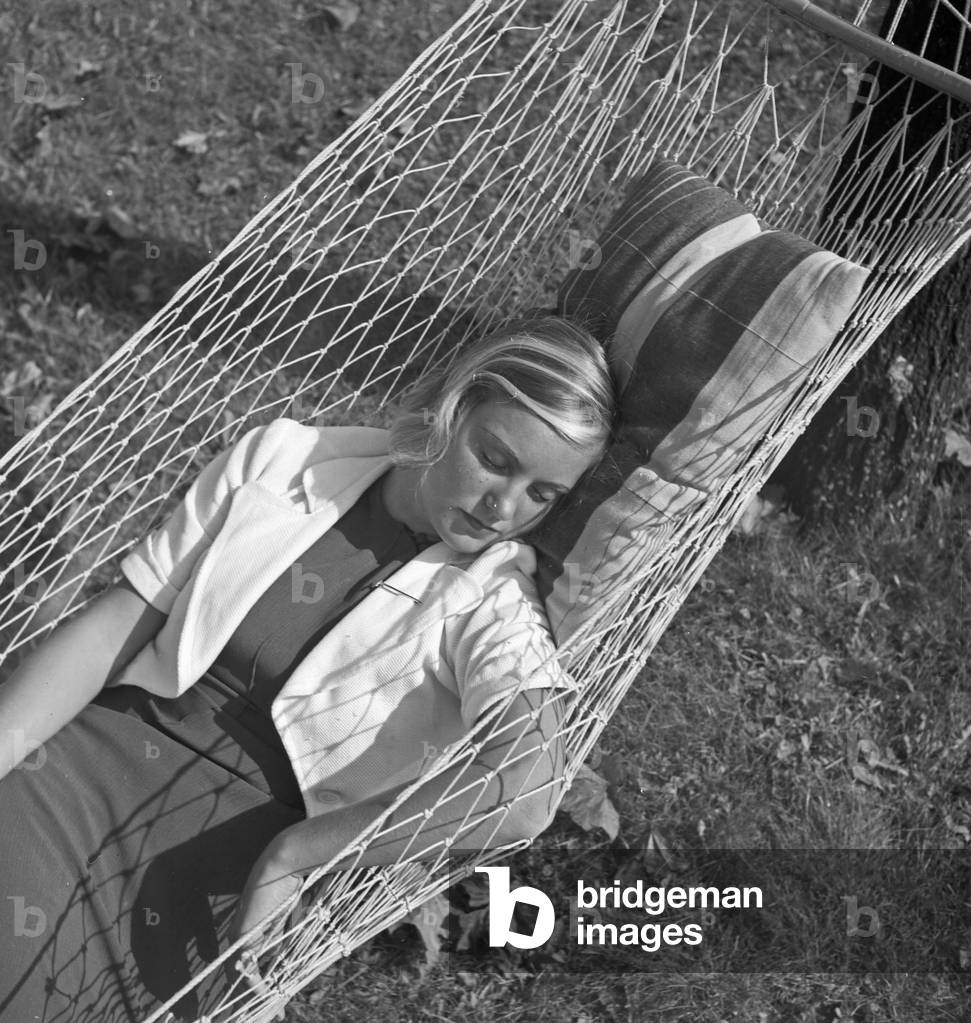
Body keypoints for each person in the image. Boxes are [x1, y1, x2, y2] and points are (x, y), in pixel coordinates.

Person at [0, 313, 618, 1022]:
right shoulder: (285, 459)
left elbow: (528, 787)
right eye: (496, 458)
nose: (503, 507)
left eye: (542, 493)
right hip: (70, 784)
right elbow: (114, 625)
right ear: (454, 405)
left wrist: (297, 853)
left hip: (217, 878)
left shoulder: (494, 601)